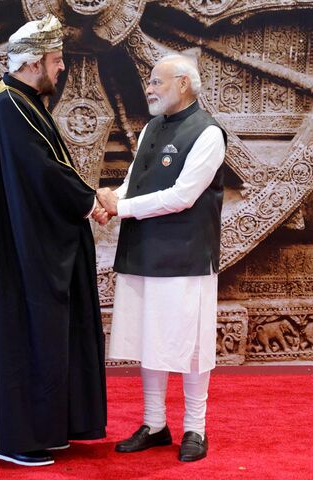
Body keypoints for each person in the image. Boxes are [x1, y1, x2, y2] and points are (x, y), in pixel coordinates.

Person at [0, 14, 108, 467]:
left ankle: (46, 427)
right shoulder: (10, 106)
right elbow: (44, 174)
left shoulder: (17, 102)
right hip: (23, 253)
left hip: (27, 242)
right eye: (56, 59)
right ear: (32, 63)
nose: (62, 68)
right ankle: (17, 439)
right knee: (27, 332)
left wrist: (85, 199)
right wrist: (91, 201)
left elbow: (45, 170)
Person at [97, 54, 227, 462]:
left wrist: (123, 208)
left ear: (184, 84)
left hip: (186, 256)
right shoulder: (153, 127)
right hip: (142, 250)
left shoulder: (208, 133)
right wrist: (111, 199)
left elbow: (182, 196)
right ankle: (154, 423)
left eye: (157, 82)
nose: (149, 89)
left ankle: (195, 428)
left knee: (190, 344)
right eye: (150, 82)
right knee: (149, 340)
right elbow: (133, 180)